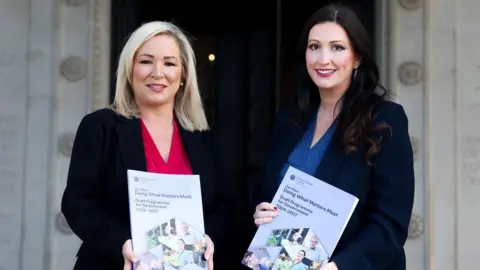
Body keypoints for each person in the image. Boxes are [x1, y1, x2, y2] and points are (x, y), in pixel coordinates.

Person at [252, 4, 414, 270]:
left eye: (337, 47)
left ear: (357, 58)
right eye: (314, 46)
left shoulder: (385, 120)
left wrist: (340, 266)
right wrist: (261, 213)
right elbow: (266, 193)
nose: (323, 59)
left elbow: (390, 224)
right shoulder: (289, 119)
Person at [61, 21, 229, 270]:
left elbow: (224, 207)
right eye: (146, 61)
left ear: (183, 76)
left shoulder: (202, 138)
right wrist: (120, 244)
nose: (157, 72)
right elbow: (77, 203)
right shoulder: (99, 127)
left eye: (169, 63)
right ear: (130, 70)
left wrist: (209, 240)